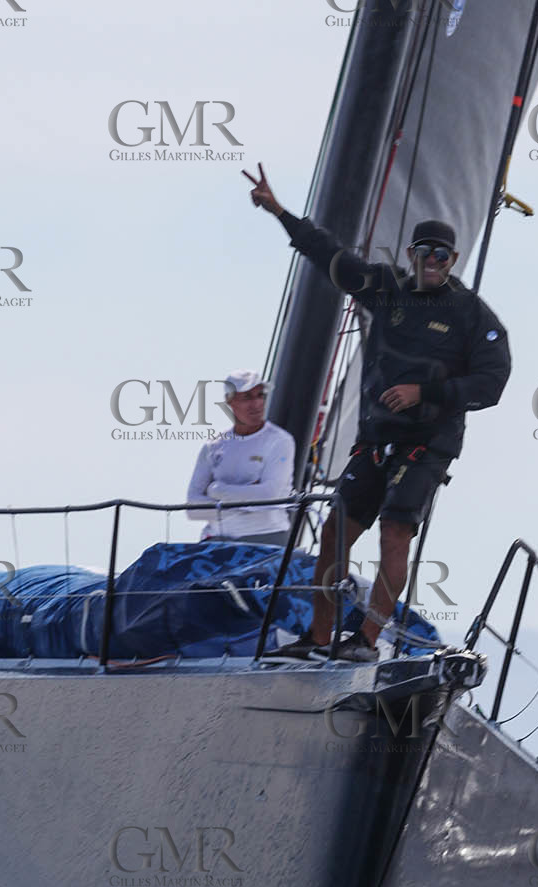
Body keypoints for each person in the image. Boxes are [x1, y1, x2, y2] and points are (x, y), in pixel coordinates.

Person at [244, 162, 511, 661]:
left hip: (426, 445)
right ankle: (319, 638)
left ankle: (366, 640)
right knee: (334, 532)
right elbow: (330, 256)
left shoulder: (473, 315)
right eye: (423, 252)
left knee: (394, 533)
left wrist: (424, 394)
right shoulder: (387, 288)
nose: (431, 260)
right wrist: (280, 212)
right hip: (375, 439)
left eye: (441, 255)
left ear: (452, 259)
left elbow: (492, 384)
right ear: (411, 254)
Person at [186, 370, 295, 547]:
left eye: (260, 395)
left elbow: (270, 494)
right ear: (229, 401)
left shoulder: (281, 441)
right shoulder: (213, 446)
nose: (256, 404)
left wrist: (217, 492)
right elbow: (193, 508)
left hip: (266, 541)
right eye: (247, 397)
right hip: (216, 542)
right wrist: (247, 499)